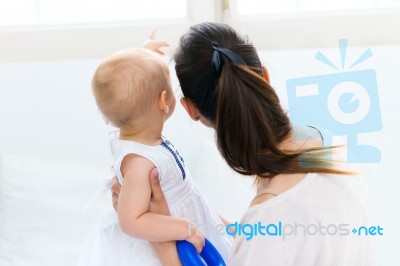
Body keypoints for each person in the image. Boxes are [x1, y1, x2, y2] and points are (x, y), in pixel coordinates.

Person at [112, 22, 376, 265]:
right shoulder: (330, 143)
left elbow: (273, 235)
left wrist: (163, 246)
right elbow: (287, 237)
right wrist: (192, 218)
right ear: (264, 76)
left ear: (190, 109)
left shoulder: (269, 214)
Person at [77, 39, 233, 265]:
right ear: (163, 100)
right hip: (163, 244)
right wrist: (183, 228)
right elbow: (131, 220)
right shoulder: (140, 163)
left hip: (190, 229)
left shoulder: (142, 138)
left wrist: (144, 55)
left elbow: (130, 84)